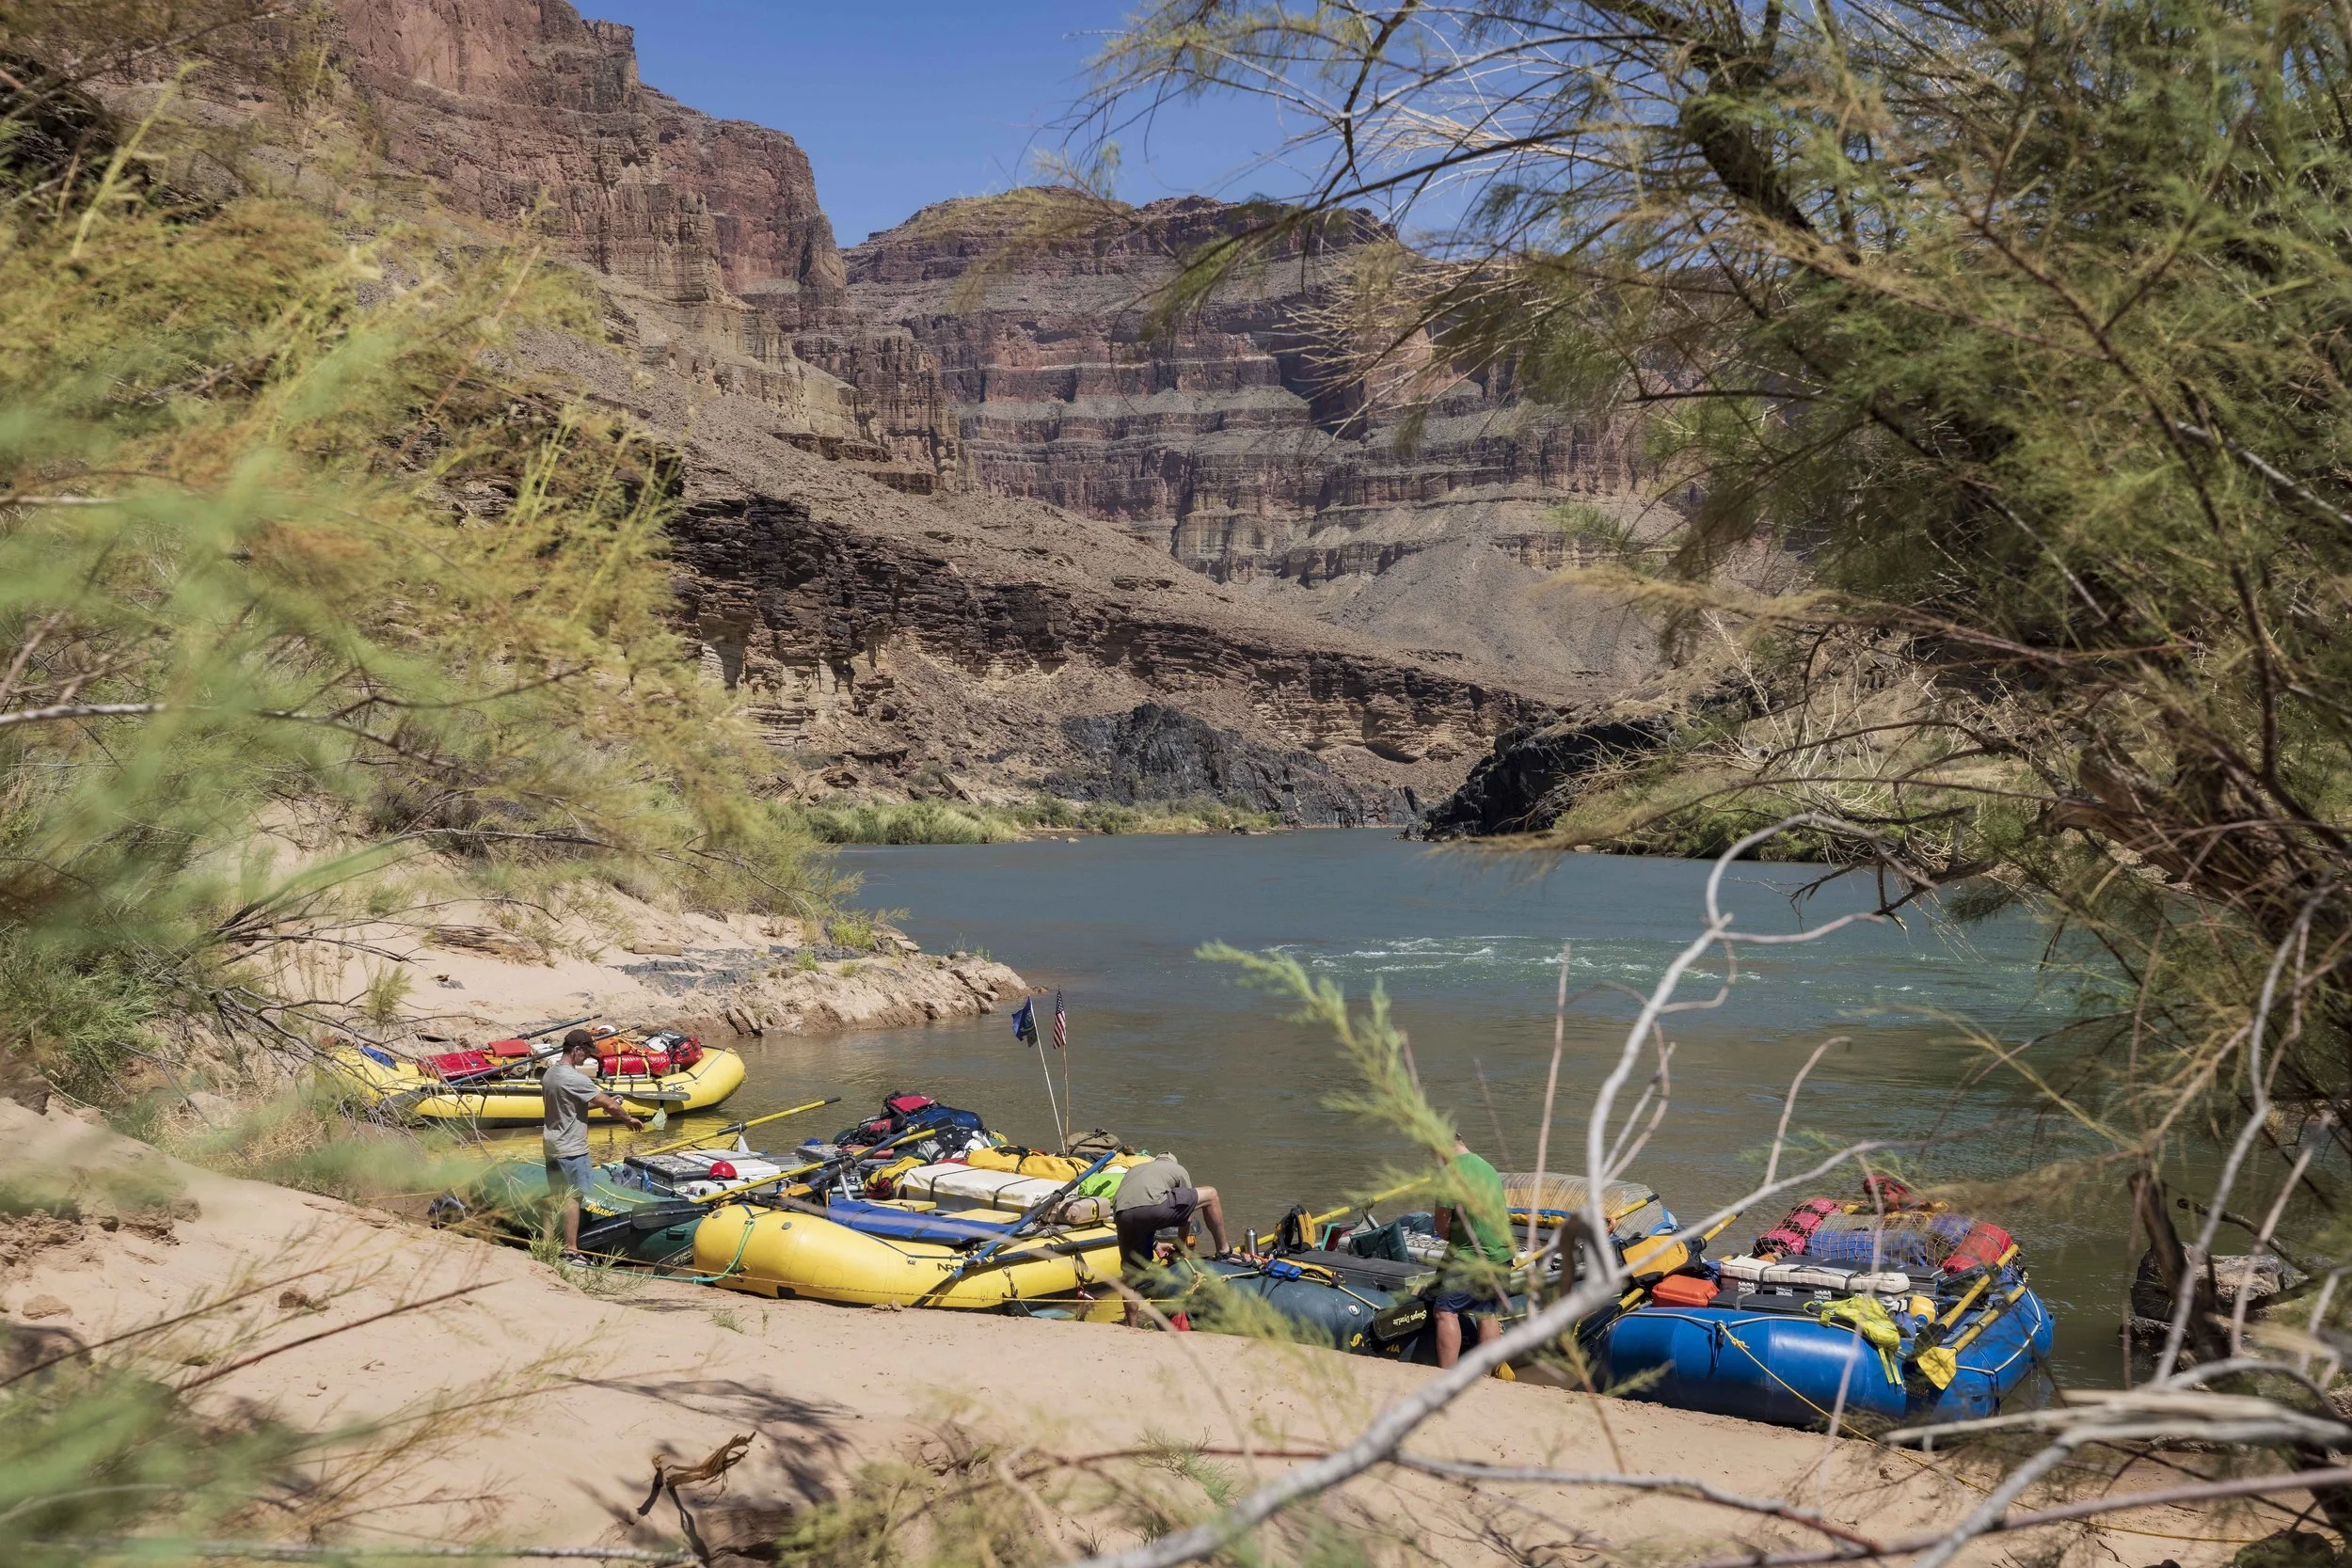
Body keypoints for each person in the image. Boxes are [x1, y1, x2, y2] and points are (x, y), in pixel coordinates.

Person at [542, 1029, 643, 1265]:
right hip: (573, 1148)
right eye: (585, 1053)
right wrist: (628, 1119)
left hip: (552, 1144)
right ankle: (571, 1250)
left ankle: (546, 1244)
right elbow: (608, 1103)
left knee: (554, 1196)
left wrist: (607, 1104)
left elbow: (571, 1108)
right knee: (573, 1197)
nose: (587, 1058)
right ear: (576, 1050)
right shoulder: (576, 1079)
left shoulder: (549, 1075)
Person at [1111, 1153, 1228, 1326]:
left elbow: (1138, 1212)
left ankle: (1132, 1326)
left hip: (1121, 1215)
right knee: (1211, 1195)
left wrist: (1155, 1244)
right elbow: (1187, 1216)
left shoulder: (1136, 1169)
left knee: (1130, 1278)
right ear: (1172, 1163)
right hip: (1152, 1208)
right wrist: (1181, 1247)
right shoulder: (1178, 1170)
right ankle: (1224, 1251)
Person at [1432, 1133, 1515, 1368]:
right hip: (1502, 1254)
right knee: (1486, 1312)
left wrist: (1449, 1234)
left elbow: (1441, 1226)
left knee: (1445, 1311)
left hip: (1474, 1256)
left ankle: (1446, 1375)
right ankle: (1487, 1378)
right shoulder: (1487, 1167)